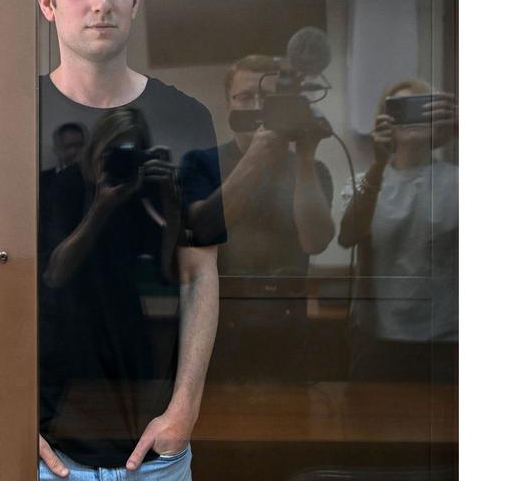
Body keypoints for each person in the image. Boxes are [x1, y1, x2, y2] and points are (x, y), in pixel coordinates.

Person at [0, 0, 224, 478]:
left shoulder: (185, 119)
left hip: (152, 448)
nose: (100, 2)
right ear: (48, 2)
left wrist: (184, 410)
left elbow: (199, 273)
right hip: (30, 445)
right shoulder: (6, 119)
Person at [179, 54, 335, 381]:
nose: (257, 105)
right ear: (228, 105)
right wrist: (256, 158)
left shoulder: (312, 168)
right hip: (216, 328)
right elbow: (201, 230)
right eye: (245, 96)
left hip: (289, 328)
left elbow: (316, 240)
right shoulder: (200, 163)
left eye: (267, 98)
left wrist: (305, 156)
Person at [337, 78, 458, 383]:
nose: (414, 117)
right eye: (402, 109)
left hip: (449, 338)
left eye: (423, 108)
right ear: (384, 121)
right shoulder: (363, 182)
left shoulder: (459, 181)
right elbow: (348, 235)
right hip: (378, 336)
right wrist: (378, 165)